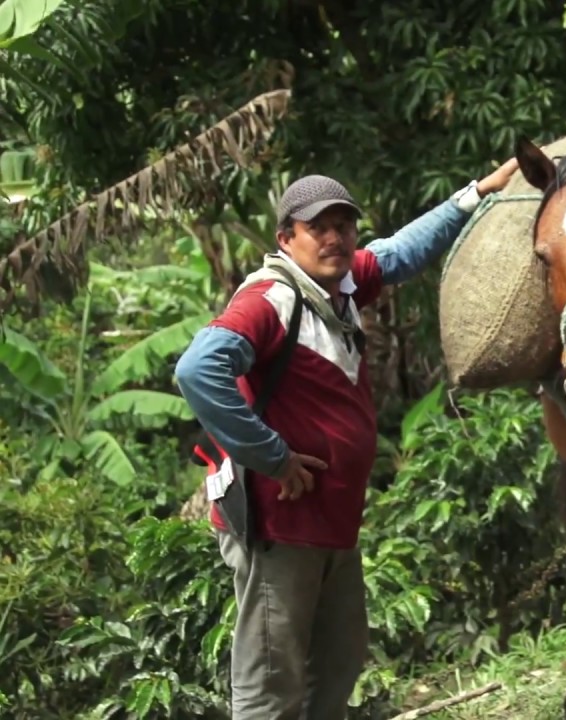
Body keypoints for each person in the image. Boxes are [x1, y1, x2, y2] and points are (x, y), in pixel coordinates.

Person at [174, 160, 519, 719]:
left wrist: (475, 193)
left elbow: (401, 251)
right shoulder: (272, 299)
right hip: (279, 524)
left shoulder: (341, 284)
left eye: (344, 225)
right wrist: (274, 458)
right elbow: (198, 370)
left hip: (331, 523)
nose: (335, 237)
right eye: (319, 227)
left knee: (335, 668)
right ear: (286, 238)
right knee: (272, 686)